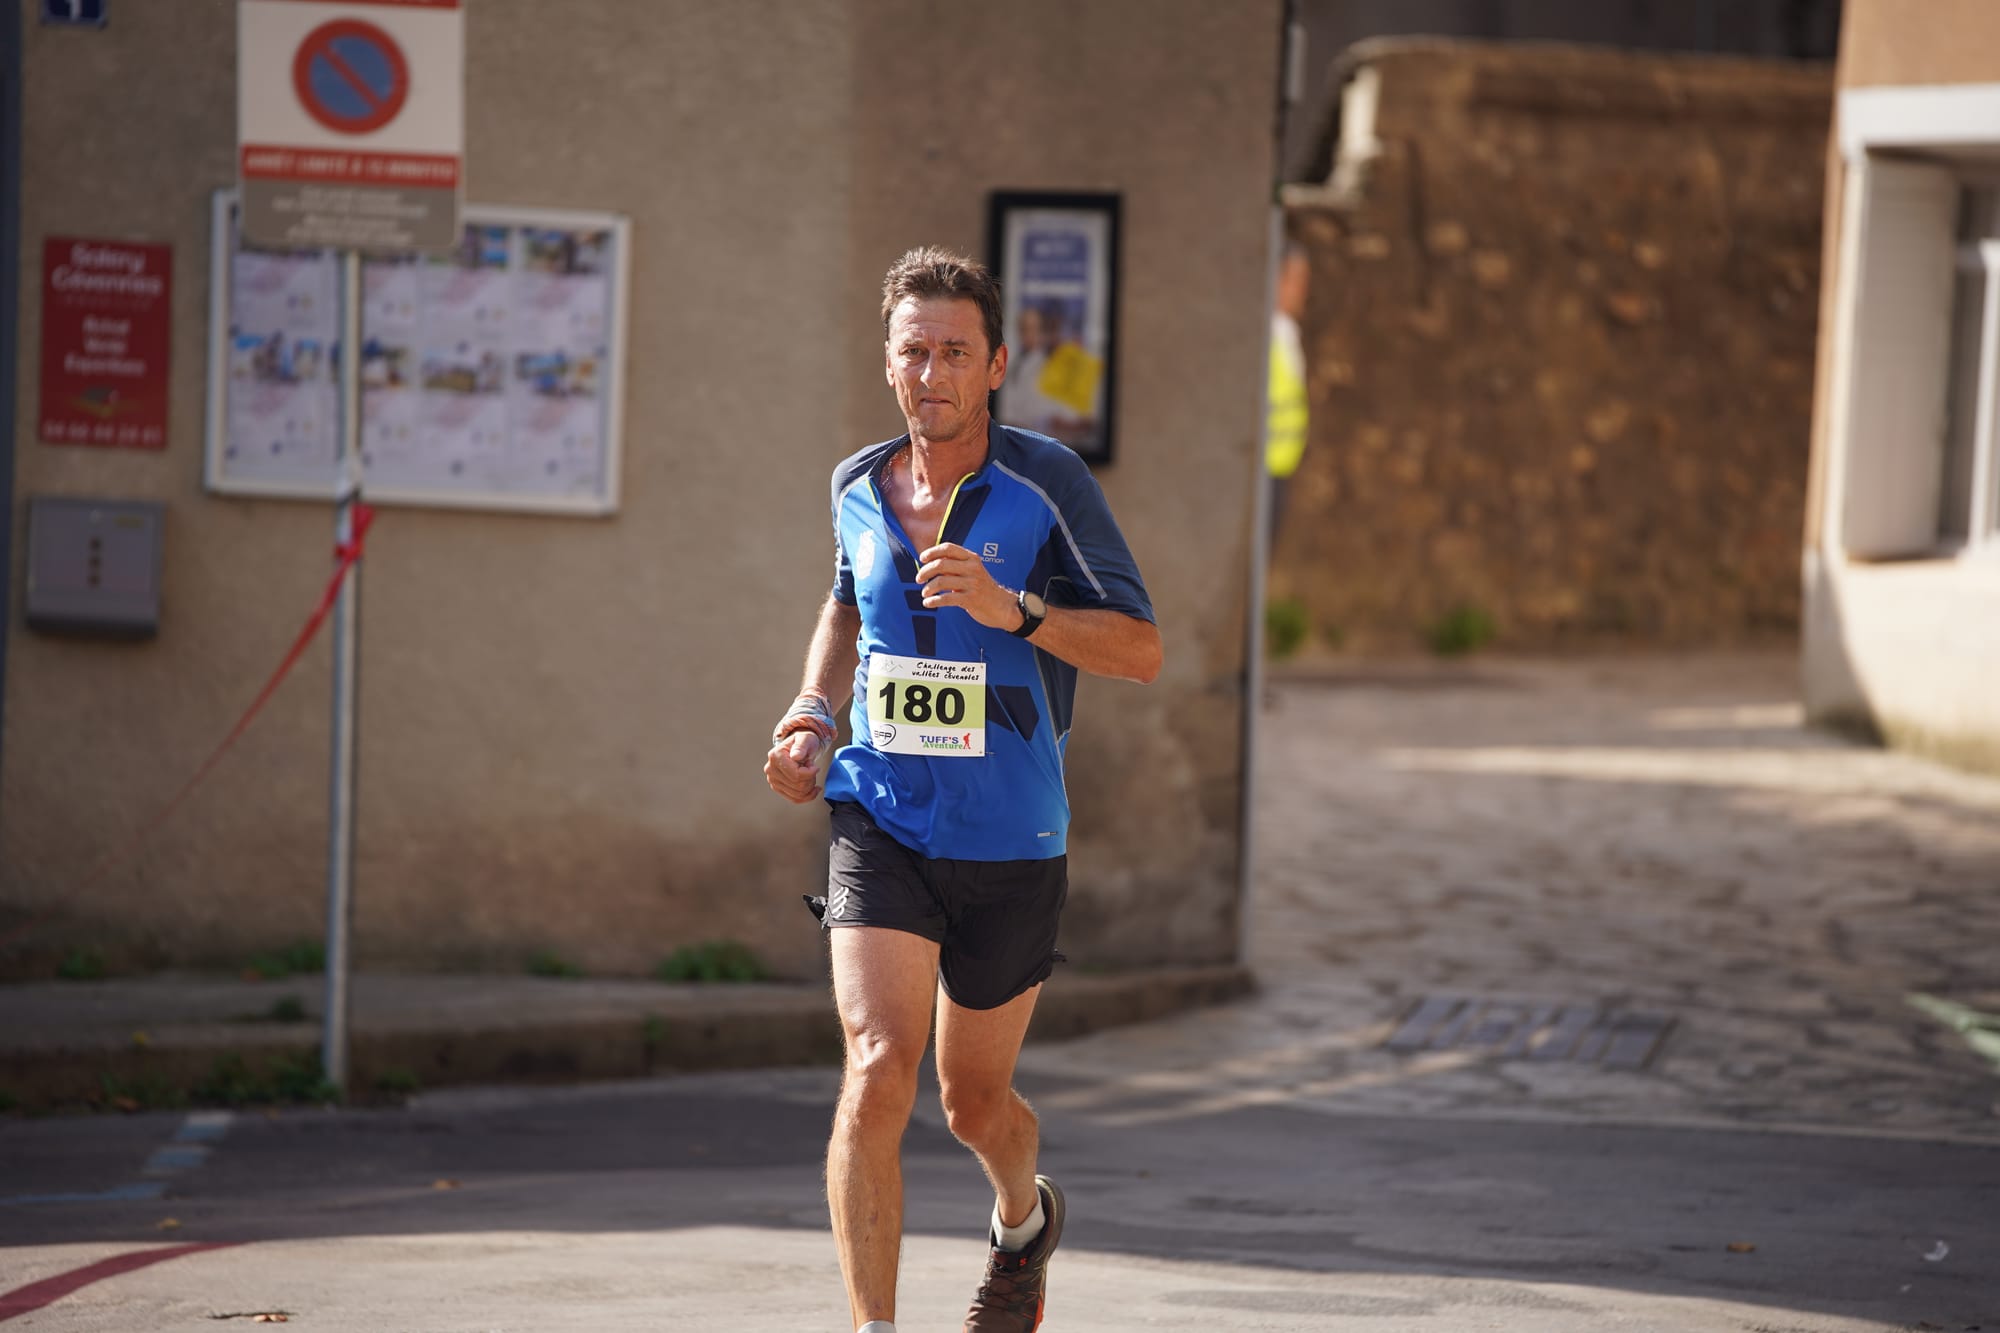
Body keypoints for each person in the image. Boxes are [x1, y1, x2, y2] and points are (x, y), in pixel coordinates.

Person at [763, 246, 1161, 1333]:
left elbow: (1138, 648)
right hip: (879, 812)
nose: (929, 372)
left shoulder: (1046, 485)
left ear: (994, 367)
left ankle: (1022, 1222)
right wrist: (810, 710)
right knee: (878, 1064)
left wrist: (1016, 611)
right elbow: (846, 607)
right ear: (885, 360)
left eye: (953, 352)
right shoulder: (854, 482)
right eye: (911, 350)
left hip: (1008, 835)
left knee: (969, 1100)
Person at [1265, 240, 1311, 549]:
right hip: (1260, 470)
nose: (1303, 291)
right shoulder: (1267, 334)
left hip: (1277, 468)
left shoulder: (1287, 333)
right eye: (1298, 281)